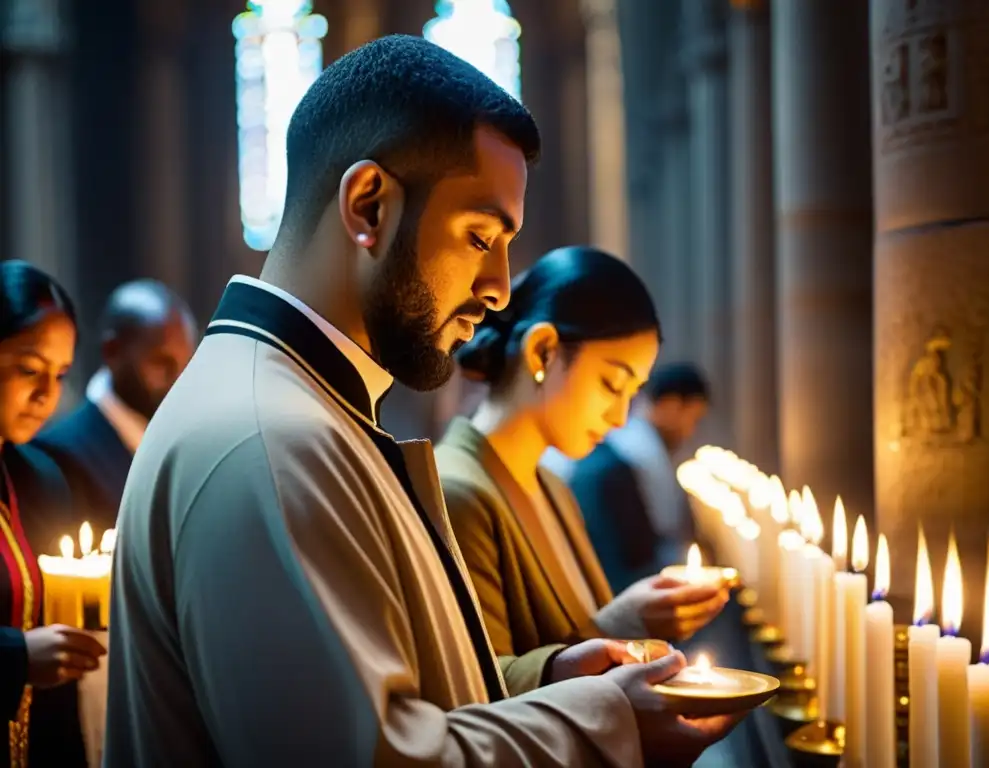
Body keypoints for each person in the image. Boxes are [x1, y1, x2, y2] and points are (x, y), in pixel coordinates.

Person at [104, 36, 743, 767]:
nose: (501, 287)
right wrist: (601, 721)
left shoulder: (310, 410)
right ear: (369, 206)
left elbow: (416, 696)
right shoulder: (269, 439)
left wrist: (553, 681)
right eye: (480, 236)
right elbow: (368, 756)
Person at [435, 247, 727, 660]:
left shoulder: (551, 485)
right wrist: (618, 624)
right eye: (611, 384)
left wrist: (632, 619)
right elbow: (480, 689)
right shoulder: (457, 494)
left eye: (631, 394)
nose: (620, 417)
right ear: (543, 352)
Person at [0, 260, 107, 767]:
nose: (47, 394)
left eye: (60, 374)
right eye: (28, 368)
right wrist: (16, 658)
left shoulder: (41, 479)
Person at [35, 280, 196, 531]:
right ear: (112, 351)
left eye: (186, 364)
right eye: (161, 363)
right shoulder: (58, 455)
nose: (178, 380)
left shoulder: (183, 443)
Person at [566, 362, 710, 593]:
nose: (690, 431)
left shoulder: (626, 447)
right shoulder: (634, 460)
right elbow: (656, 538)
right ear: (670, 405)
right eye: (692, 419)